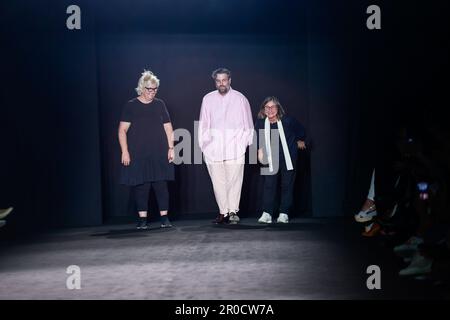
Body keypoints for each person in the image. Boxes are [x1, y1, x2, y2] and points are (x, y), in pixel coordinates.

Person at [118, 70, 175, 229]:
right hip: (138, 153)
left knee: (161, 186)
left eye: (155, 89)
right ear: (142, 88)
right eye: (149, 89)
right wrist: (125, 151)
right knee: (141, 187)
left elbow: (168, 128)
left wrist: (171, 148)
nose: (152, 92)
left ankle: (164, 218)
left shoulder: (160, 104)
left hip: (159, 152)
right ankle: (142, 219)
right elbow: (122, 130)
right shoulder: (131, 106)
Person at [198, 68, 254, 224]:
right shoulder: (208, 99)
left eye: (224, 80)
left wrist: (244, 143)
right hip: (213, 149)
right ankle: (223, 212)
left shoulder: (240, 99)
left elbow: (248, 124)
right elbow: (203, 123)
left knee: (235, 181)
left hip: (235, 147)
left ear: (230, 80)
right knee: (218, 182)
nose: (221, 83)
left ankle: (233, 212)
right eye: (218, 80)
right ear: (215, 82)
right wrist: (204, 145)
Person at [255, 97, 306, 224]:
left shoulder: (288, 121)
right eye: (267, 107)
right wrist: (259, 150)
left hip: (288, 157)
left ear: (278, 108)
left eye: (273, 107)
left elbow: (301, 131)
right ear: (263, 109)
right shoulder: (261, 123)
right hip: (270, 159)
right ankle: (267, 213)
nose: (270, 110)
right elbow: (256, 139)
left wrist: (300, 140)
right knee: (269, 186)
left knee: (287, 186)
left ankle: (284, 213)